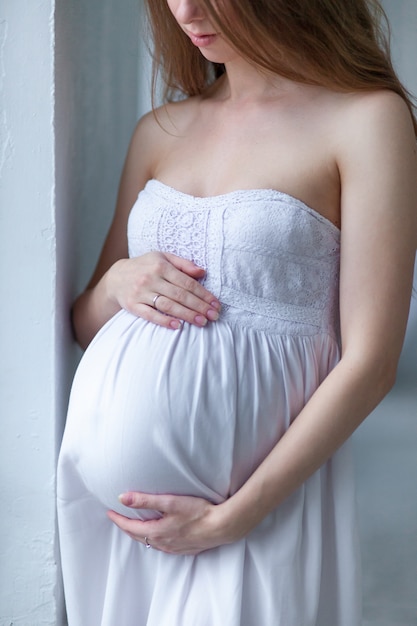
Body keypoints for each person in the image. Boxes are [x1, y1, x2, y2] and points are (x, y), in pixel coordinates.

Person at [57, 0, 417, 624]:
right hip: (116, 530)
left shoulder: (367, 120)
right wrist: (118, 282)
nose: (187, 11)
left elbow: (372, 362)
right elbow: (85, 323)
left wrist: (235, 516)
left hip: (253, 512)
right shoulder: (161, 128)